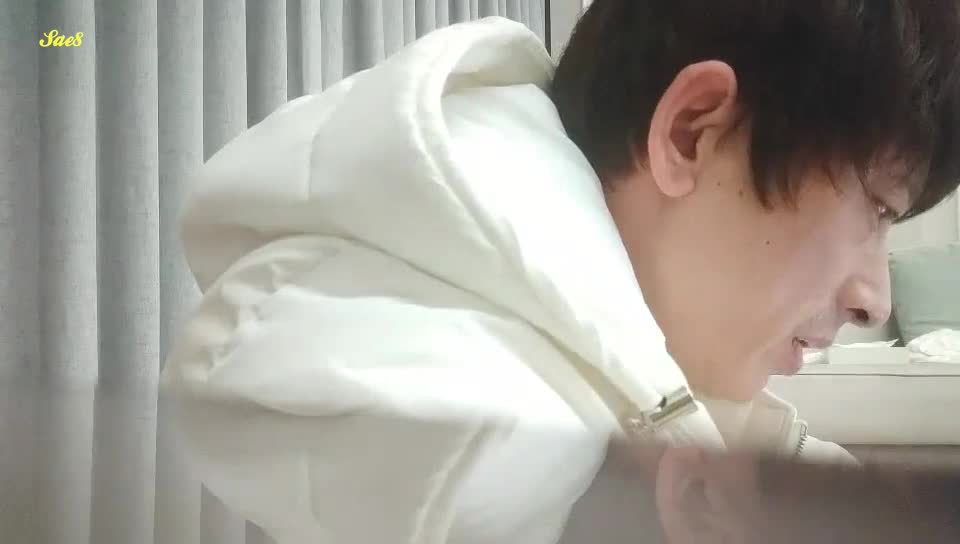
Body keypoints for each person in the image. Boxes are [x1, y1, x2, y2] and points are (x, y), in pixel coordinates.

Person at [160, 1, 960, 542]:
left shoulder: (608, 359)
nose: (875, 297)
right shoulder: (461, 426)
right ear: (691, 133)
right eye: (877, 209)